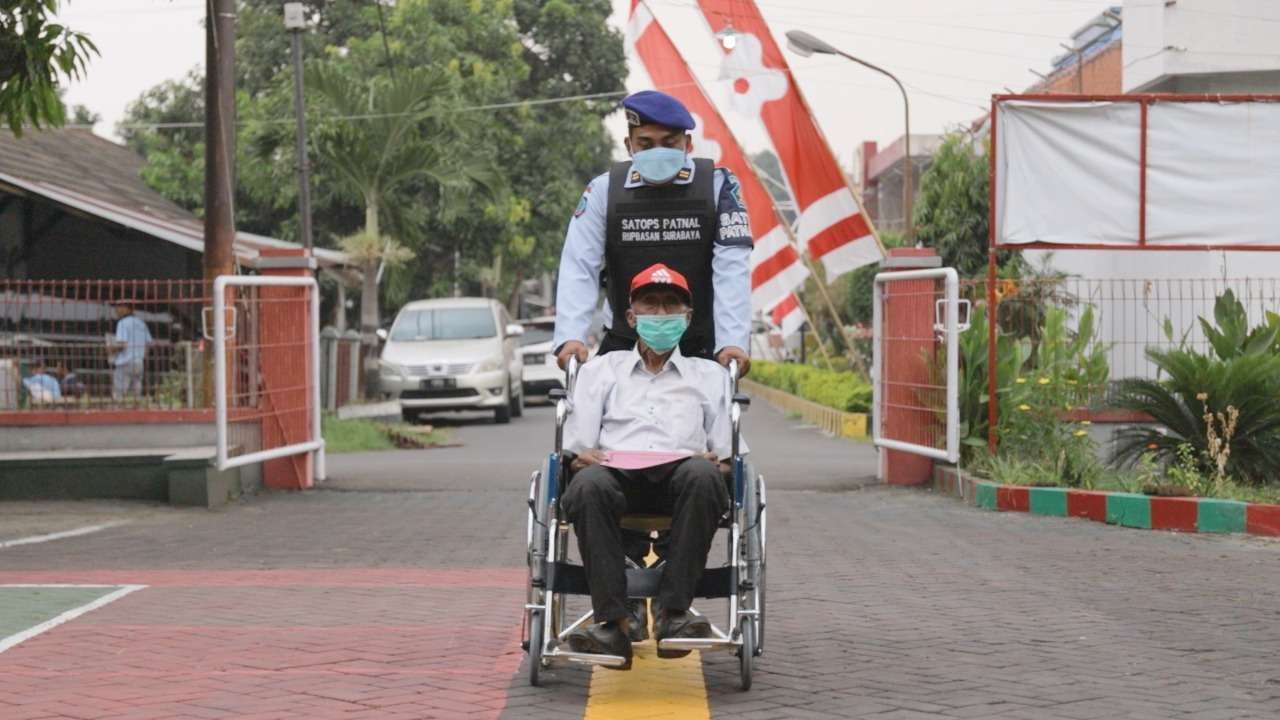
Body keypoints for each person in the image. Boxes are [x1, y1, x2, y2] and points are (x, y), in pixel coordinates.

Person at [560, 263, 743, 670]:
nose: (660, 315)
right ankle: (614, 624)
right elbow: (579, 447)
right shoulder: (600, 372)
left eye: (670, 306)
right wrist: (581, 455)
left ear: (688, 317)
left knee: (704, 476)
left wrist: (718, 465)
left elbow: (730, 455)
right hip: (615, 476)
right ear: (631, 316)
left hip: (682, 478)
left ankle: (674, 613)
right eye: (651, 305)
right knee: (587, 484)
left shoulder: (709, 376)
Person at [553, 89, 753, 376]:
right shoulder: (604, 191)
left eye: (668, 143)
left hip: (700, 346)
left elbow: (732, 268)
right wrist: (571, 337)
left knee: (714, 418)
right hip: (624, 342)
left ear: (687, 144)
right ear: (629, 145)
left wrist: (733, 342)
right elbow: (579, 265)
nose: (657, 152)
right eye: (645, 144)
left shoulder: (718, 188)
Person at [108, 300, 151, 400]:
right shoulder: (141, 323)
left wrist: (111, 349)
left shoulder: (123, 323)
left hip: (125, 362)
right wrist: (141, 356)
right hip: (138, 363)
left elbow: (122, 344)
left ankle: (117, 414)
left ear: (125, 308)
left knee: (118, 394)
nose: (116, 310)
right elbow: (148, 344)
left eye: (118, 307)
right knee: (135, 395)